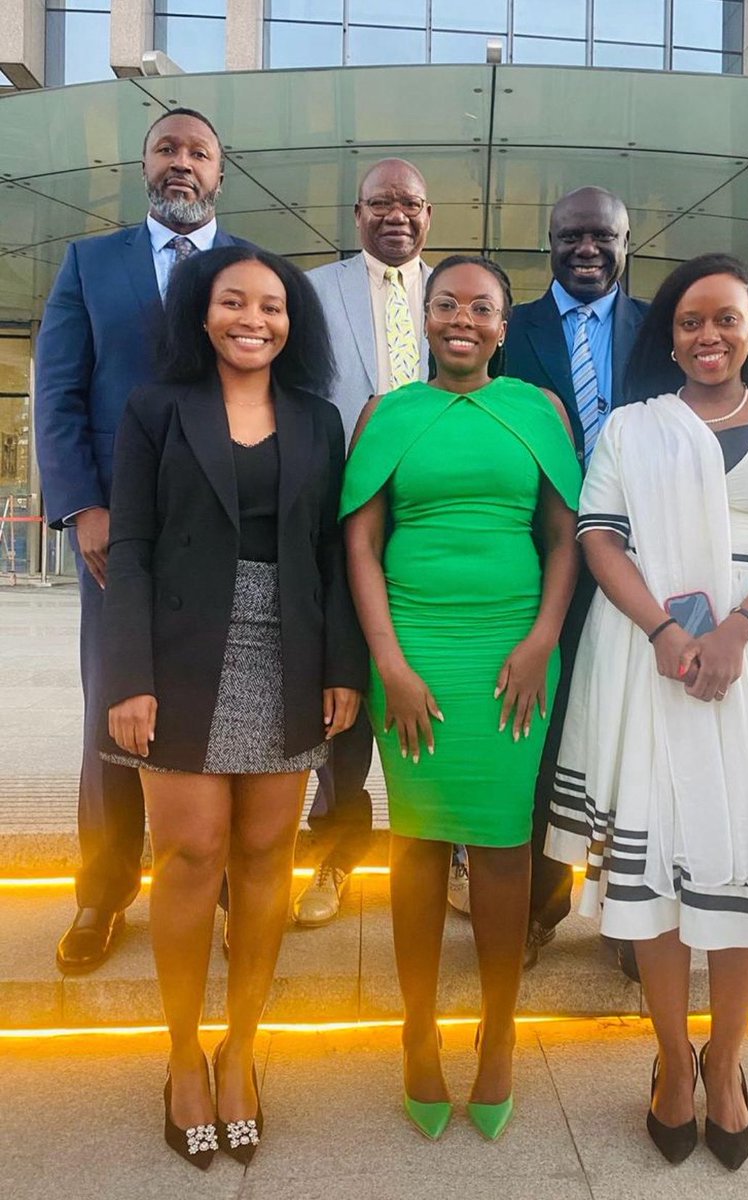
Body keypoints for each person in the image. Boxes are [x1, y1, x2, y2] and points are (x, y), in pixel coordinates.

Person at [546, 253, 748, 1169]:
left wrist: (735, 630)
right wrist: (658, 629)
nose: (708, 335)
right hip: (651, 657)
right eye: (690, 322)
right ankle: (670, 1063)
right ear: (670, 336)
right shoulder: (632, 428)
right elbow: (598, 534)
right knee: (661, 871)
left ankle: (722, 1064)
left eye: (726, 318)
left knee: (744, 863)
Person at [99, 246, 367, 1167]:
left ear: (294, 322)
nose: (254, 318)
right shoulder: (154, 410)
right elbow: (127, 547)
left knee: (264, 857)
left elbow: (333, 555)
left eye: (273, 305)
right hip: (176, 658)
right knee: (188, 855)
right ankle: (181, 1056)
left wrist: (343, 667)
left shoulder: (318, 419)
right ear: (201, 315)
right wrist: (126, 676)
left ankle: (241, 1048)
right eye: (233, 302)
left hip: (287, 652)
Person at [342, 255, 580, 1141]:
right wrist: (390, 665)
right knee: (414, 841)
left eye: (481, 307)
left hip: (513, 652)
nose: (461, 320)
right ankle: (416, 1028)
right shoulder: (386, 412)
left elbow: (562, 536)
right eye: (445, 304)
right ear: (424, 316)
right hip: (412, 651)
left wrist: (541, 641)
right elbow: (361, 543)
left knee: (505, 845)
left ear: (503, 325)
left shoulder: (538, 410)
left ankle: (499, 1029)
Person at [35, 108, 253, 974]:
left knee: (231, 701)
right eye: (168, 149)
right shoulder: (91, 265)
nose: (182, 163)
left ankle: (231, 880)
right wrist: (82, 505)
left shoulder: (248, 272)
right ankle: (106, 889)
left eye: (199, 151)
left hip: (231, 529)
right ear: (143, 164)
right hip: (114, 535)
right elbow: (55, 396)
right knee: (115, 707)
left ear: (220, 173)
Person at [498, 186, 648, 972]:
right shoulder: (507, 328)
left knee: (633, 737)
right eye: (569, 236)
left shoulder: (658, 327)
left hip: (640, 567)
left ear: (627, 242)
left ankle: (630, 914)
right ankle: (537, 908)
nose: (585, 248)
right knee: (543, 743)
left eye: (602, 236)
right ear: (548, 241)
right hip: (537, 561)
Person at [296, 159, 433, 927]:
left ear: (428, 214)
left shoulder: (456, 293)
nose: (396, 215)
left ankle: (441, 854)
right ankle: (337, 853)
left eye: (409, 203)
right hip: (341, 517)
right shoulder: (315, 294)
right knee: (340, 693)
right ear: (356, 214)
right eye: (380, 202)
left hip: (435, 527)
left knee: (433, 684)